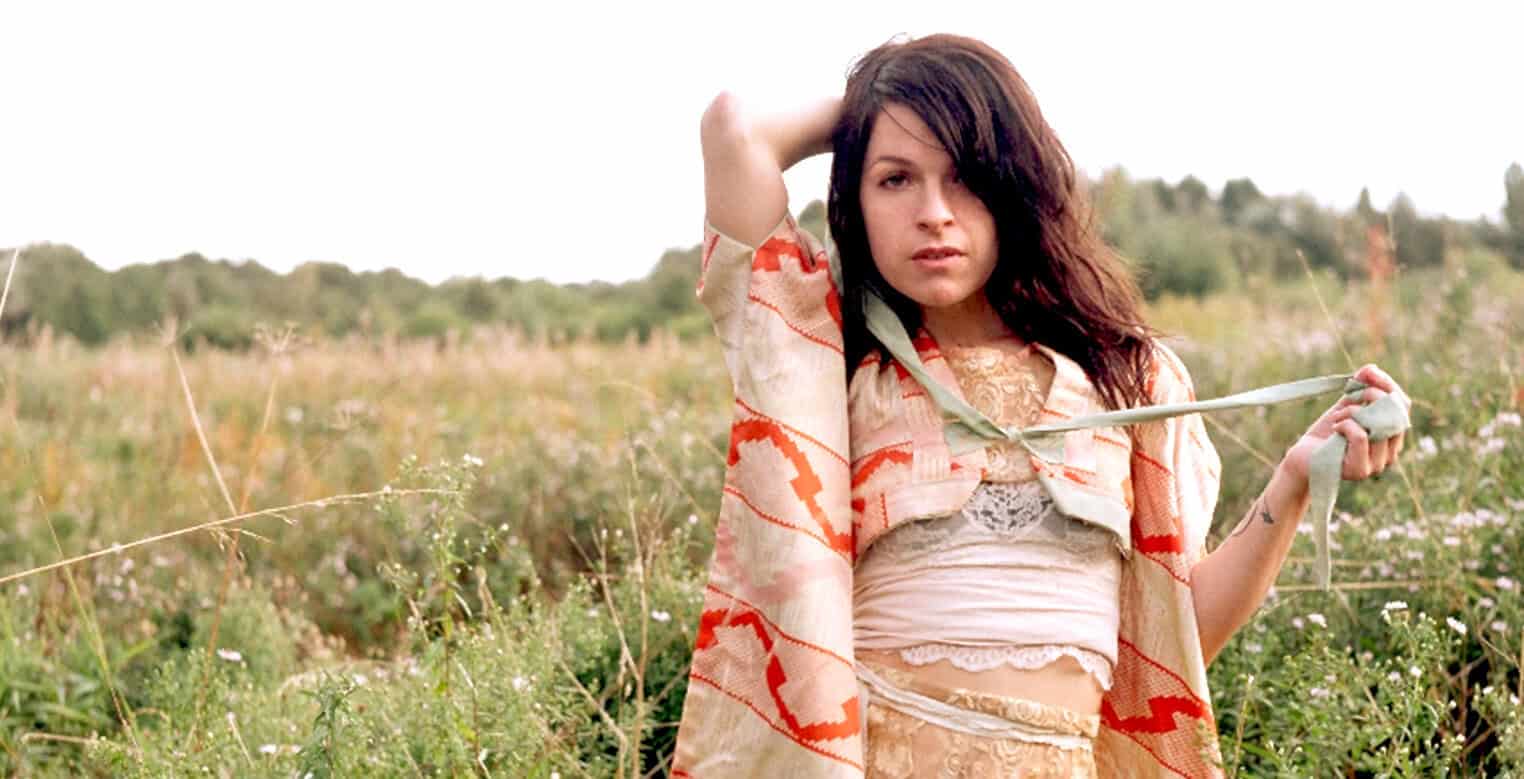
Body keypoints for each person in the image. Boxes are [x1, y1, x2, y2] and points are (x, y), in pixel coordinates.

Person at [673, 33, 1408, 778]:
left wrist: (1294, 478)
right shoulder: (830, 367)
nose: (934, 213)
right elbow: (735, 128)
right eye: (895, 179)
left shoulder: (1130, 381)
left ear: (1013, 182)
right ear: (855, 199)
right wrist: (887, 105)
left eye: (967, 175)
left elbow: (1173, 652)